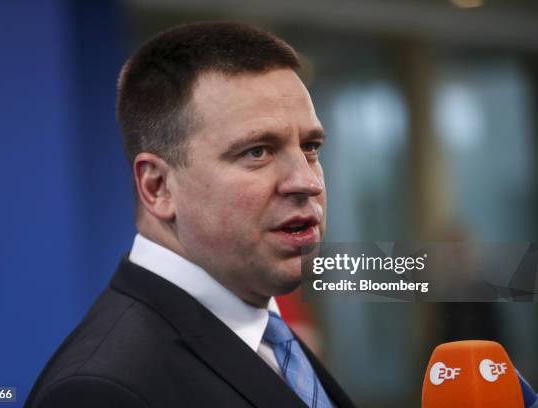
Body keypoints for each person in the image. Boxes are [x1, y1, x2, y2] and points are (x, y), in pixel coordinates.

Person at [25, 22, 355, 408]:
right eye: (257, 151)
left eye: (310, 146)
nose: (306, 181)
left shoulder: (266, 332)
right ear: (157, 187)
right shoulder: (100, 392)